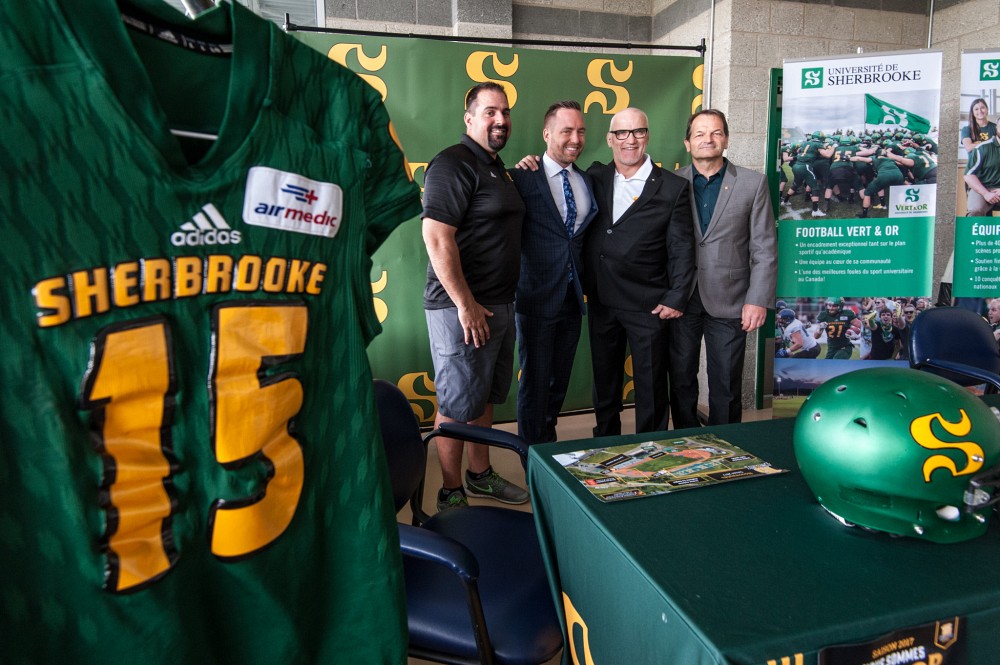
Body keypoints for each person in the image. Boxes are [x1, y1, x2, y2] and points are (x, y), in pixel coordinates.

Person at [422, 82, 529, 510]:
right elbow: (436, 237)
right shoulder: (452, 163)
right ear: (469, 118)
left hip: (500, 303)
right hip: (459, 308)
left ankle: (479, 474)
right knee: (455, 402)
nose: (500, 119)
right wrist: (465, 305)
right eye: (489, 112)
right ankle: (450, 490)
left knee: (482, 396)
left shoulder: (497, 168)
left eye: (504, 112)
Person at [583, 107, 696, 435]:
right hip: (602, 298)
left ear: (647, 136)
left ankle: (651, 445)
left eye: (637, 132)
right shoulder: (595, 176)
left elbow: (681, 248)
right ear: (609, 139)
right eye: (621, 133)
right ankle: (604, 439)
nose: (629, 140)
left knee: (650, 382)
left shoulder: (672, 187)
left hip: (649, 301)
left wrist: (676, 296)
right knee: (605, 378)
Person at [670, 110, 777, 427]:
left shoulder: (752, 183)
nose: (708, 139)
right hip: (682, 298)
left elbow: (764, 246)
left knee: (726, 384)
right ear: (688, 143)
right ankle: (684, 441)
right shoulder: (671, 182)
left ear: (726, 139)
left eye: (715, 132)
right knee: (680, 378)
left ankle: (729, 446)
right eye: (700, 134)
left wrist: (757, 299)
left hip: (731, 300)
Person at [509, 101, 597, 444]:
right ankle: (532, 456)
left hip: (573, 299)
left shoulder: (586, 180)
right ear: (547, 134)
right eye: (566, 131)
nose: (575, 139)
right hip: (534, 297)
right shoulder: (521, 177)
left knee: (558, 380)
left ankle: (548, 446)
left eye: (581, 131)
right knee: (534, 381)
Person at [964, 133, 1000, 217]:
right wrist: (986, 193)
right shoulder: (982, 148)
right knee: (975, 211)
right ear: (997, 127)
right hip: (983, 188)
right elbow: (969, 175)